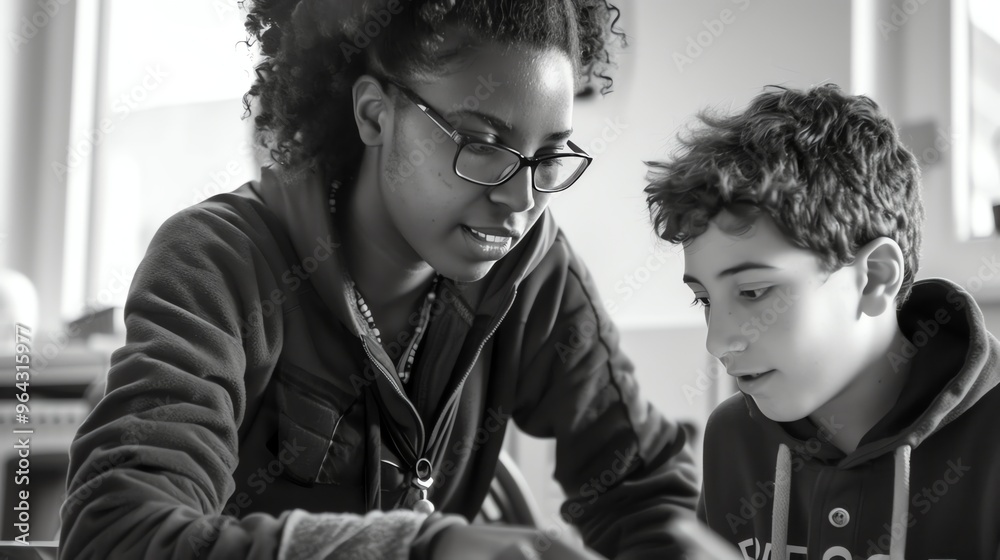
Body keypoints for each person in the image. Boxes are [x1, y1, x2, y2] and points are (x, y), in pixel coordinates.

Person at [58, 1, 701, 558]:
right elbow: (116, 536)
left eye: (547, 157)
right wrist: (424, 548)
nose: (521, 199)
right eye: (480, 142)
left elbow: (644, 495)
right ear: (374, 114)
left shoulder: (531, 269)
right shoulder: (219, 263)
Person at [645, 84, 1000, 558]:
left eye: (753, 293)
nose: (719, 342)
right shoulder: (732, 438)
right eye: (704, 300)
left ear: (875, 279)